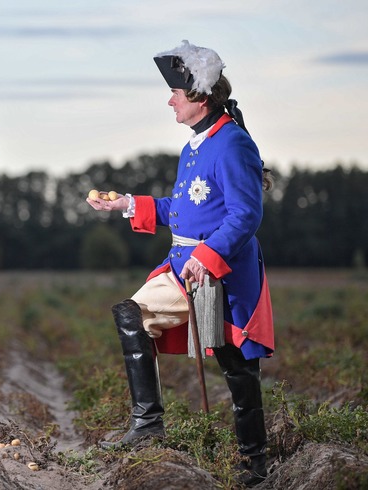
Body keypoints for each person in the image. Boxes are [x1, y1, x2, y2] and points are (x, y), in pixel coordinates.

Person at [87, 40, 273, 487]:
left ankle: (255, 465)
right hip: (182, 265)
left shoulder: (232, 142)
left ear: (199, 97)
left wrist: (208, 258)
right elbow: (186, 209)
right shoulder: (194, 145)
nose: (169, 99)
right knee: (132, 314)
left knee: (237, 364)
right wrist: (129, 204)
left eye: (175, 92)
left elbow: (246, 214)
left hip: (223, 271)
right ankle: (147, 424)